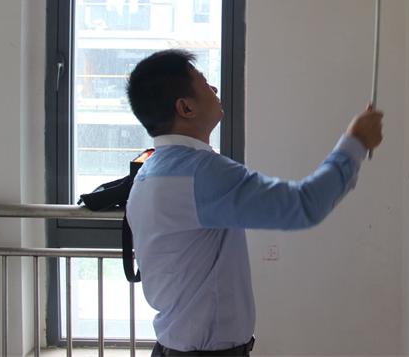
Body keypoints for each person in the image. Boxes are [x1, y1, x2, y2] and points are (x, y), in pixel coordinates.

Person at [124, 49, 384, 356]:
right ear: (185, 107)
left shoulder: (149, 174)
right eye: (204, 82)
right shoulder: (201, 174)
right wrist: (355, 143)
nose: (214, 88)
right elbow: (304, 205)